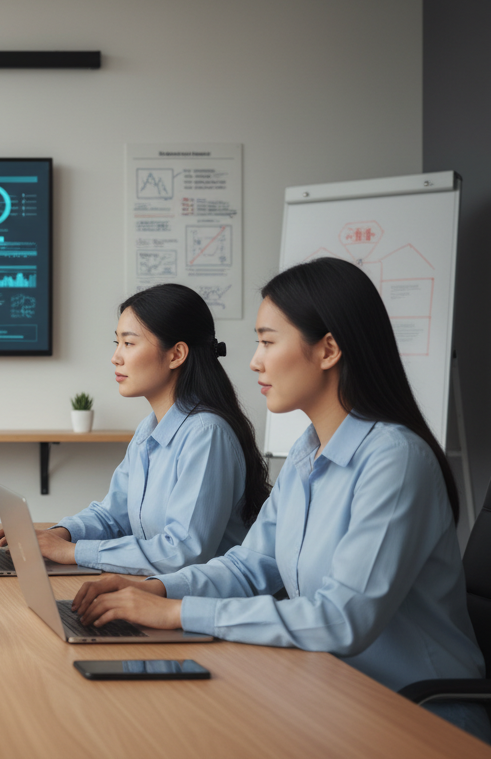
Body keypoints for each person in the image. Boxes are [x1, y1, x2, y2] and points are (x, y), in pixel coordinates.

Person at [71, 258, 489, 740]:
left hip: (417, 717)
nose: (253, 360)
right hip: (329, 692)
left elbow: (341, 618)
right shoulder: (310, 452)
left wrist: (179, 613)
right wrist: (157, 590)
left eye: (268, 341)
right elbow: (249, 566)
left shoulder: (394, 461)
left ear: (328, 349)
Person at [0, 284, 269, 576]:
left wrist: (72, 552)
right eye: (117, 343)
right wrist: (59, 534)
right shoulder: (149, 430)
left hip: (200, 608)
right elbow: (113, 515)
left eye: (129, 343)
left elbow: (183, 552)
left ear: (176, 355)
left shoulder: (206, 434)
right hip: (155, 594)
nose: (116, 357)